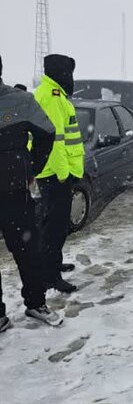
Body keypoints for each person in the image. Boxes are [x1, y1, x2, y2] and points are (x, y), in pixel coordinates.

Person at [0, 56, 62, 330]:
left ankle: (36, 303)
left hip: (15, 193)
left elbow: (47, 132)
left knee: (27, 250)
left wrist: (30, 166)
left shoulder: (19, 100)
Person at [34, 54, 85, 294]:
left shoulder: (54, 94)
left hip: (58, 172)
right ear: (60, 72)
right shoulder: (51, 97)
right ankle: (50, 276)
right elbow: (53, 140)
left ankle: (52, 263)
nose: (71, 78)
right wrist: (64, 174)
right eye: (68, 72)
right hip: (56, 174)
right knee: (54, 227)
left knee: (55, 225)